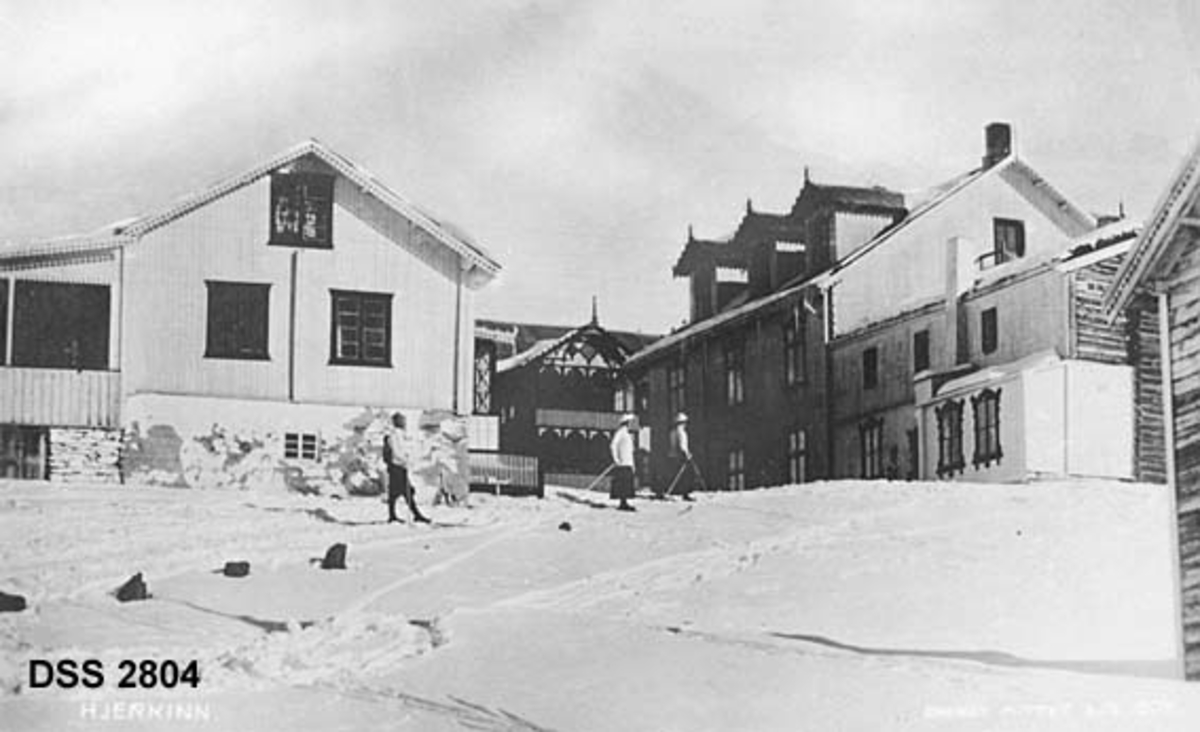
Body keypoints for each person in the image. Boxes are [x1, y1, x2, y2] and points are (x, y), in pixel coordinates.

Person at [383, 412, 429, 524]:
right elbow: (397, 451)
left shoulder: (397, 434)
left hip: (398, 466)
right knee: (404, 491)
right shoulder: (395, 435)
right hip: (397, 466)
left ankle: (395, 515)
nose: (404, 423)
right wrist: (405, 460)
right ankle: (414, 514)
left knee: (399, 491)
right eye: (402, 420)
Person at [664, 412, 696, 501]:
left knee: (675, 474)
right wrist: (687, 454)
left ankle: (674, 491)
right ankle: (684, 493)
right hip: (680, 456)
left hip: (672, 455)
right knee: (685, 476)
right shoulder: (681, 432)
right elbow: (682, 446)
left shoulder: (673, 432)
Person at [609, 413, 637, 512]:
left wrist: (633, 465)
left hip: (628, 462)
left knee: (627, 484)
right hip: (622, 463)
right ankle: (622, 503)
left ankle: (624, 502)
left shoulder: (627, 434)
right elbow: (613, 445)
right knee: (623, 484)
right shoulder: (620, 432)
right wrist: (616, 459)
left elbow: (630, 451)